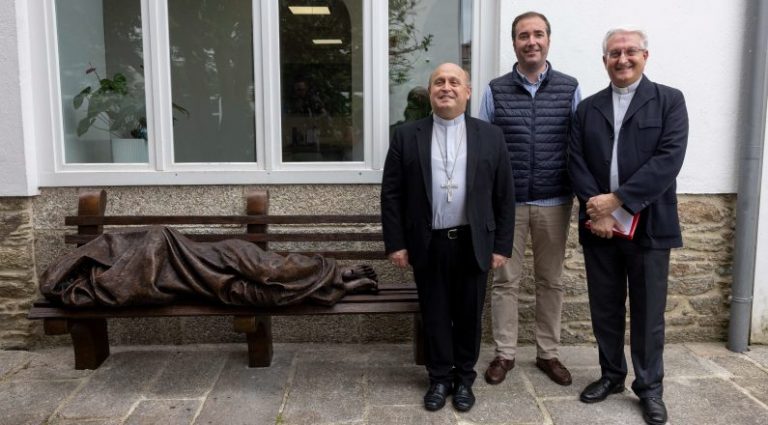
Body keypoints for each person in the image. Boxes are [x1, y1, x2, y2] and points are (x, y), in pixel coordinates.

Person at [568, 27, 688, 425]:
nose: (622, 59)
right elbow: (576, 161)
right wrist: (597, 210)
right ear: (604, 60)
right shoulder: (588, 108)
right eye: (614, 53)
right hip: (599, 227)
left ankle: (650, 388)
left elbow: (668, 161)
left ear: (645, 56)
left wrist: (617, 201)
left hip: (650, 226)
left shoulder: (669, 101)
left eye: (630, 51)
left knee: (648, 312)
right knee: (604, 308)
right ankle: (611, 376)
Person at [381, 63, 515, 412]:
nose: (446, 87)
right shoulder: (406, 135)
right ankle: (439, 378)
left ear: (467, 92)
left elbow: (504, 195)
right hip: (428, 243)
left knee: (469, 315)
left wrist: (502, 246)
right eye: (438, 82)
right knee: (435, 313)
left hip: (473, 242)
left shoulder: (490, 136)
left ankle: (464, 378)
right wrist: (396, 243)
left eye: (454, 82)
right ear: (430, 92)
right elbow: (392, 194)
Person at [477, 11, 580, 387]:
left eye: (538, 34)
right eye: (524, 35)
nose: (531, 41)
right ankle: (504, 353)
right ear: (514, 42)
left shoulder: (570, 88)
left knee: (551, 281)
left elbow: (579, 143)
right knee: (505, 281)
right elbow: (483, 148)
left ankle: (548, 353)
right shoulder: (495, 90)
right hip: (510, 204)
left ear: (548, 40)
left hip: (555, 200)